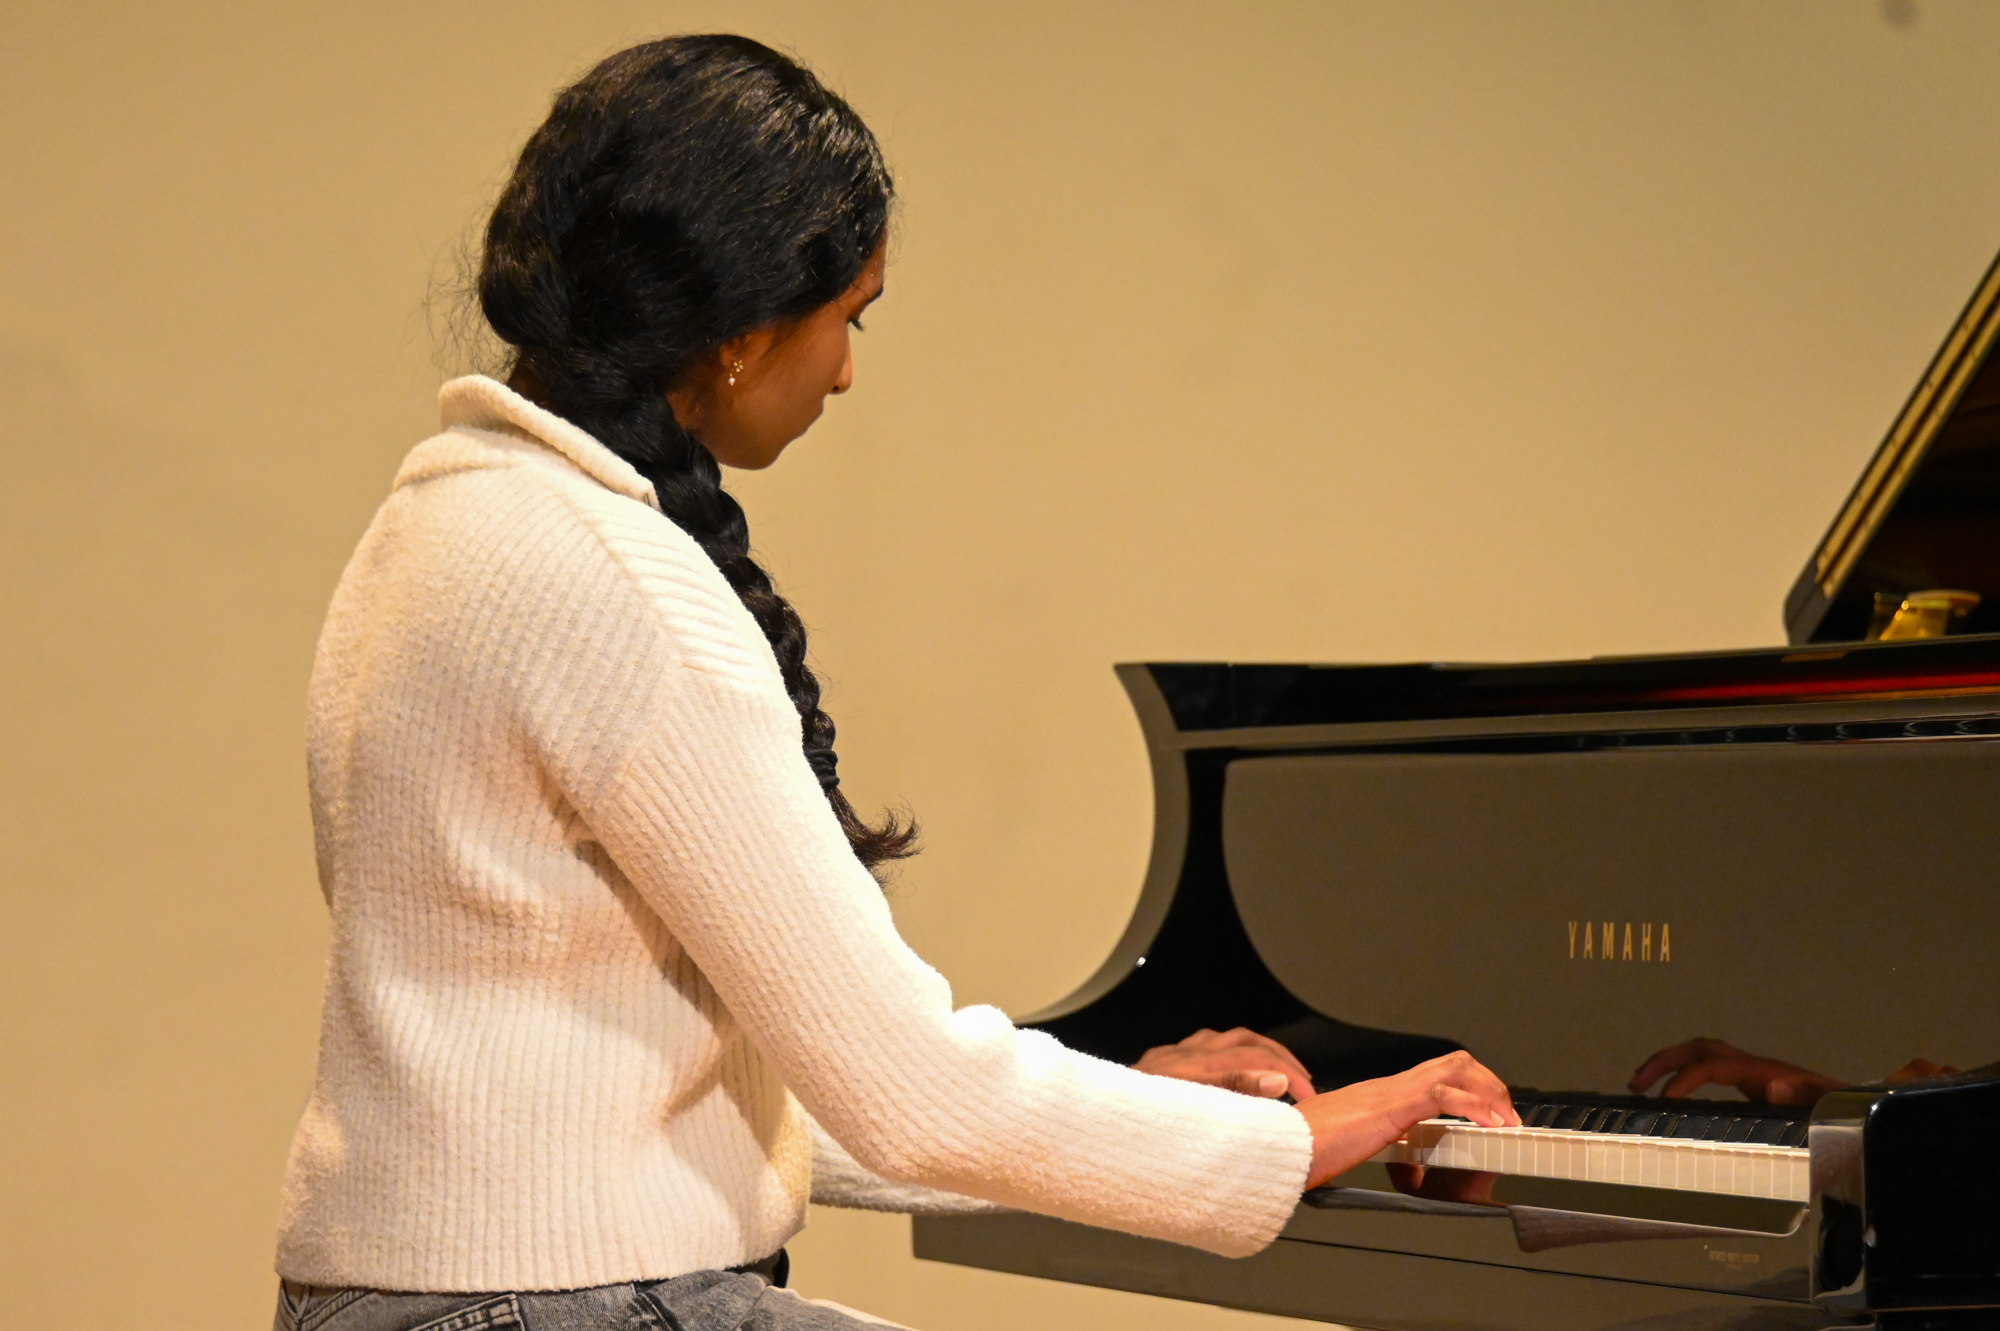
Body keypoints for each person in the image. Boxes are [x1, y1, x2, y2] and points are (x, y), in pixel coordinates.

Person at [272, 34, 1516, 1331]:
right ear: (745, 329)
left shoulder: (440, 526)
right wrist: (1299, 1140)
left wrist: (1142, 1103)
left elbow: (712, 1090)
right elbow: (909, 1091)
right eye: (848, 316)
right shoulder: (616, 582)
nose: (849, 369)